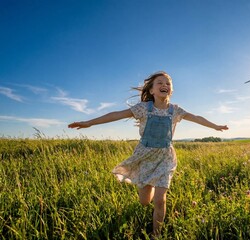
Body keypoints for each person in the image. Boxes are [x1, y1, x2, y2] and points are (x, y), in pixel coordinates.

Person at [68, 71, 228, 237]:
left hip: (165, 158)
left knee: (160, 199)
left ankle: (156, 234)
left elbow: (196, 117)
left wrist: (215, 126)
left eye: (167, 83)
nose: (164, 85)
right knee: (145, 202)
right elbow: (116, 115)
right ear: (151, 90)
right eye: (159, 83)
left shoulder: (175, 110)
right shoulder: (143, 108)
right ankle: (148, 188)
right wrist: (89, 123)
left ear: (171, 91)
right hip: (145, 156)